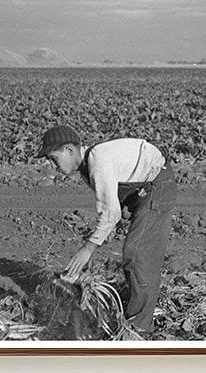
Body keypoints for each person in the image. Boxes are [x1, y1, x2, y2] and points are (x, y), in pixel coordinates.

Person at [38, 125, 177, 334]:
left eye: (53, 158)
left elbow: (110, 214)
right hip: (138, 190)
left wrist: (88, 249)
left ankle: (140, 328)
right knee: (133, 253)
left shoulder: (97, 163)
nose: (52, 165)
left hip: (156, 186)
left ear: (69, 150)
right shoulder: (87, 167)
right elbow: (111, 207)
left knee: (139, 255)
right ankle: (135, 304)